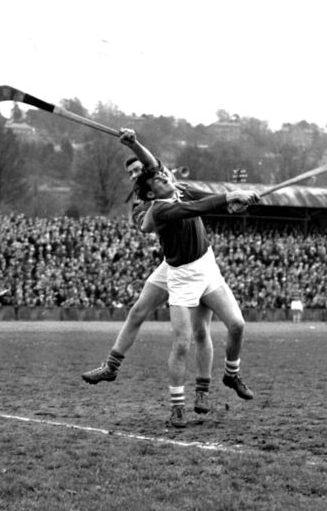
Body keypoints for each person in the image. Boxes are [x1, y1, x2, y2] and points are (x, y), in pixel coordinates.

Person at [82, 131, 236, 419]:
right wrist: (153, 200)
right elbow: (146, 227)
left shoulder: (169, 185)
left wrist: (133, 143)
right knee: (138, 311)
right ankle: (111, 367)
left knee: (200, 331)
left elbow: (154, 168)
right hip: (173, 266)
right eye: (131, 173)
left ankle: (202, 390)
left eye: (138, 169)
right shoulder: (143, 205)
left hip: (197, 263)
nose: (135, 174)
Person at [122, 128, 260, 427]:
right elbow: (195, 207)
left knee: (236, 324)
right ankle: (175, 404)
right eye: (140, 175)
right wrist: (229, 196)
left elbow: (199, 196)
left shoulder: (171, 185)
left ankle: (231, 374)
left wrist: (234, 202)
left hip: (205, 265)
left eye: (141, 169)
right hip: (178, 271)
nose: (154, 175)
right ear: (146, 190)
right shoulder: (152, 207)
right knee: (182, 340)